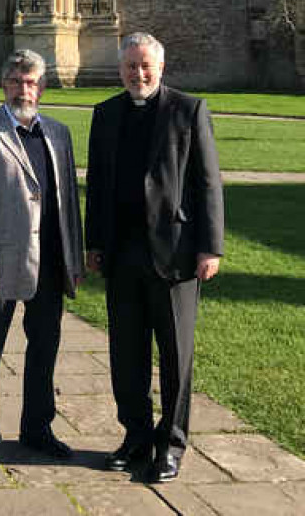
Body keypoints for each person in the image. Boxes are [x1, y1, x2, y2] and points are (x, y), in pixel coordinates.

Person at [85, 33, 224, 484]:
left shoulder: (189, 110)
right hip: (122, 254)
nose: (137, 74)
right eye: (130, 67)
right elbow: (98, 185)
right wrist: (94, 243)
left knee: (175, 356)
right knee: (126, 353)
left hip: (176, 255)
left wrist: (211, 246)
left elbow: (208, 183)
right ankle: (136, 437)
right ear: (120, 68)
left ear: (160, 68)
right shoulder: (105, 114)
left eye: (145, 66)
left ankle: (172, 444)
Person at [0, 49, 83, 478]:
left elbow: (68, 204)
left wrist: (74, 258)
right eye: (15, 81)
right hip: (0, 265)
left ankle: (37, 428)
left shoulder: (59, 134)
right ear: (3, 85)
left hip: (49, 263)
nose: (22, 89)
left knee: (44, 349)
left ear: (41, 88)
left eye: (30, 82)